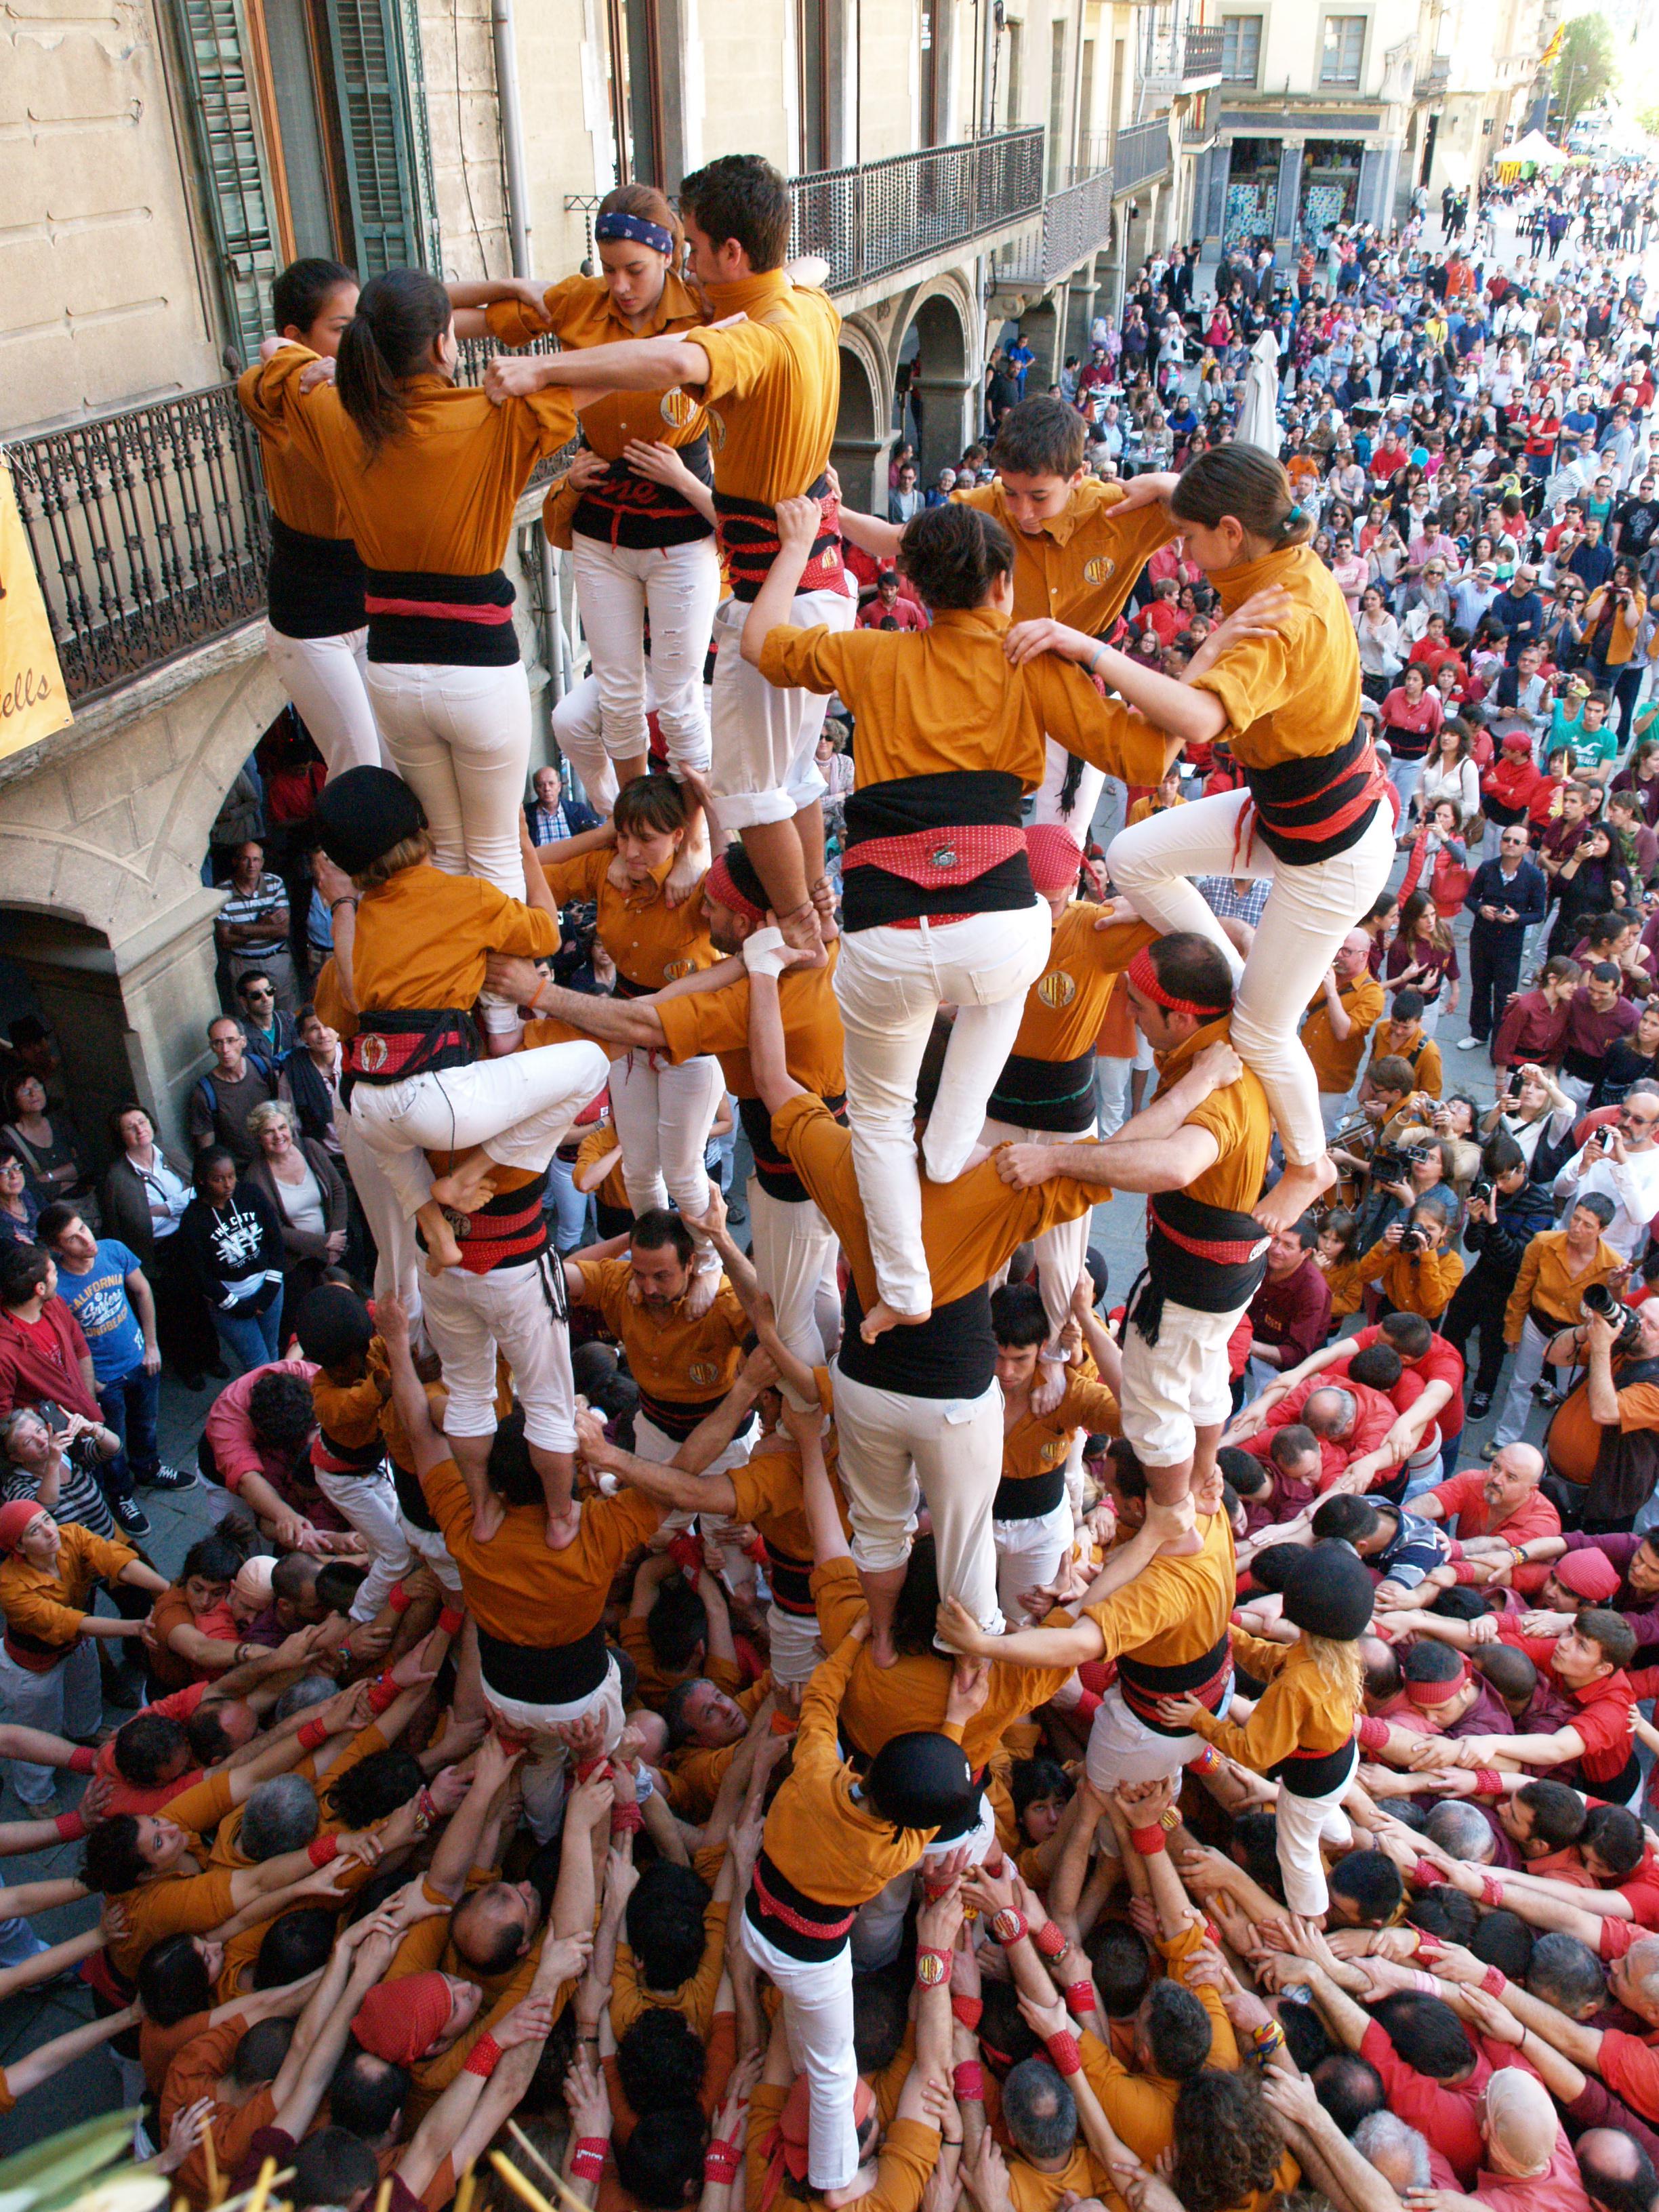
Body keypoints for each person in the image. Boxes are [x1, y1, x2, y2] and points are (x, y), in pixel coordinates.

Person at [743, 495, 1172, 1334]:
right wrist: (1086, 650)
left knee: (873, 1116)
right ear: (1005, 586)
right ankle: (948, 1147)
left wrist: (796, 546)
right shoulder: (1031, 662)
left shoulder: (873, 654)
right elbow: (1148, 754)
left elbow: (760, 645)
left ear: (912, 587)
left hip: (884, 932)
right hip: (1000, 927)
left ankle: (903, 1286)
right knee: (1006, 977)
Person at [1005, 443, 1393, 1231]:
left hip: (1332, 851)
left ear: (1229, 532)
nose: (1179, 553)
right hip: (1284, 811)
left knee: (1258, 1027)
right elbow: (1238, 502)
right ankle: (1232, 947)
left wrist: (1089, 650)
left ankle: (1312, 1164)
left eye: (1188, 536)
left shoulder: (1285, 621)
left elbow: (1197, 722)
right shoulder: (1270, 539)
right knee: (1133, 857)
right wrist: (1168, 489)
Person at [481, 153, 855, 960]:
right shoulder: (810, 307)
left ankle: (800, 938)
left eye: (689, 246)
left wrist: (544, 368)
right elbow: (795, 284)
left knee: (752, 794)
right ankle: (818, 913)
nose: (682, 263)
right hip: (814, 576)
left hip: (775, 591)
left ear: (729, 254)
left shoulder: (763, 337)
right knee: (793, 778)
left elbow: (677, 360)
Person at [238, 268, 596, 1038]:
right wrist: (533, 348)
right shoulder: (493, 416)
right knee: (495, 845)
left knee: (450, 850)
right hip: (477, 664)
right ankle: (501, 1025)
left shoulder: (338, 410)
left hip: (394, 667)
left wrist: (305, 362)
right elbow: (581, 373)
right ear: (443, 345)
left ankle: (464, 1007)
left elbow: (264, 376)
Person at [992, 932, 1271, 1531]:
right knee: (1200, 1374)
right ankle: (1200, 1477)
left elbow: (1172, 1164)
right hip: (1218, 1271)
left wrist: (1060, 1160)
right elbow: (1143, 1138)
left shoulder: (1221, 1090)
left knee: (1152, 1400)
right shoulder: (1211, 1054)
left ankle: (1175, 1516)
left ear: (1181, 1013)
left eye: (1140, 1008)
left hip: (1191, 1280)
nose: (1129, 1016)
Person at [470, 183, 722, 816]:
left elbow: (799, 280)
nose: (620, 286)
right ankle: (640, 821)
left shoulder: (704, 305)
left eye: (634, 269)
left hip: (680, 526)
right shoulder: (581, 303)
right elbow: (459, 323)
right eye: (608, 269)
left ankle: (696, 832)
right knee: (614, 692)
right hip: (603, 522)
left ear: (668, 256)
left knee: (680, 691)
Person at [836, 398, 1179, 833]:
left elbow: (1237, 508)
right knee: (980, 814)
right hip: (1003, 679)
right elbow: (894, 540)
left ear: (1077, 477)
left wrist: (1166, 483)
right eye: (1010, 492)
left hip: (1081, 682)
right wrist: (836, 512)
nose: (1022, 511)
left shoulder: (1119, 512)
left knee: (1064, 837)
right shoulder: (980, 505)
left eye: (1039, 496)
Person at [532, 775, 724, 1236]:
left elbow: (737, 872)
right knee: (639, 1169)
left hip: (689, 1033)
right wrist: (606, 836)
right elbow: (531, 870)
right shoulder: (609, 868)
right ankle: (657, 1256)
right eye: (625, 835)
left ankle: (705, 1264)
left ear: (677, 835)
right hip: (625, 1027)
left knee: (682, 1170)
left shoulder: (696, 881)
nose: (632, 850)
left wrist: (700, 837)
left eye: (646, 838)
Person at [239, 258, 386, 781]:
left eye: (359, 326)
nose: (356, 341)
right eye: (342, 329)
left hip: (369, 603)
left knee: (400, 761)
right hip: (311, 619)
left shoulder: (365, 390)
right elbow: (269, 355)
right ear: (299, 335)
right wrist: (302, 363)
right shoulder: (272, 394)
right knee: (361, 767)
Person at [0, 1502, 165, 1805]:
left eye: (47, 1519)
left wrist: (167, 1590)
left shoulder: (70, 1535)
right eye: (35, 1530)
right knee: (37, 1727)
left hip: (78, 1641)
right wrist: (136, 1627)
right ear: (19, 1546)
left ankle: (85, 1729)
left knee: (86, 1688)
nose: (50, 1531)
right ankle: (34, 1792)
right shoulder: (11, 1587)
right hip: (35, 1665)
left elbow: (116, 1560)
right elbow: (71, 1622)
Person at [34, 1203, 192, 1515]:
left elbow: (143, 1291)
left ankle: (149, 1468)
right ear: (56, 1248)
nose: (85, 1239)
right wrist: (91, 1383)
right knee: (112, 1441)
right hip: (105, 1379)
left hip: (140, 1360)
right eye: (72, 1238)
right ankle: (121, 1495)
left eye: (83, 1228)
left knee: (146, 1423)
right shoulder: (58, 1288)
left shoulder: (113, 1251)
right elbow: (65, 1343)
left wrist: (151, 1345)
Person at [1441, 1139, 1558, 1419]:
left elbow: (1517, 1258)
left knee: (1493, 1345)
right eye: (1495, 1180)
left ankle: (1485, 1391)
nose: (1501, 1187)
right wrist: (1476, 1221)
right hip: (1483, 1272)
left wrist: (1493, 1224)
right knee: (1452, 1328)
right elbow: (1472, 1245)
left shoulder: (1541, 1205)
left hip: (1512, 1284)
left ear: (1522, 1168)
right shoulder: (1488, 1190)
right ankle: (1459, 1372)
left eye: (1506, 1178)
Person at [1536, 1297, 1659, 1532]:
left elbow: (1606, 1411)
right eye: (1639, 1314)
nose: (1638, 1324)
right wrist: (1587, 1329)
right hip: (1557, 1480)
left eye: (1651, 1326)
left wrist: (1601, 1346)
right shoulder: (1620, 1345)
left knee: (1577, 1567)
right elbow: (1554, 1355)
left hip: (1599, 1509)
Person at [178, 1149, 287, 1376]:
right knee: (258, 1366)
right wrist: (234, 1305)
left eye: (232, 1176)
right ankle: (270, 1406)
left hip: (269, 1288)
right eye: (218, 1179)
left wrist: (270, 1289)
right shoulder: (193, 1219)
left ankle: (283, 1403)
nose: (228, 1184)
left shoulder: (251, 1194)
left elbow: (275, 1240)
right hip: (229, 1303)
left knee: (272, 1352)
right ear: (202, 1180)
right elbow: (200, 1274)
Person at [243, 1101, 348, 1305]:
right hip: (297, 1263)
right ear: (259, 1137)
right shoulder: (255, 1176)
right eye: (269, 1131)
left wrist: (338, 1240)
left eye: (282, 1127)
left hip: (336, 1251)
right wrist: (323, 1244)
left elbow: (338, 1190)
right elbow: (273, 1228)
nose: (278, 1136)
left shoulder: (310, 1148)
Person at [1463, 826, 1550, 1053]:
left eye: (1516, 841)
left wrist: (1517, 918)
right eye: (1506, 839)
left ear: (1526, 848)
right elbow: (1470, 897)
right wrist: (1482, 909)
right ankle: (1478, 1032)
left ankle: (1500, 1045)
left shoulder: (1533, 876)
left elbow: (1539, 913)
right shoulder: (1487, 868)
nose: (1510, 844)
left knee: (1505, 995)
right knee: (1480, 987)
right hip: (1482, 936)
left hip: (1510, 943)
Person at [1551, 1087, 1659, 1258]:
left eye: (1638, 1120)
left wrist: (1623, 1164)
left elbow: (1640, 1216)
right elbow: (1560, 1189)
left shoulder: (1656, 1162)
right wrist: (1582, 1168)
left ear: (1654, 1129)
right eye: (1624, 1114)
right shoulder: (1601, 1138)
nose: (1626, 1123)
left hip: (1607, 1257)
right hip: (1565, 1239)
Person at [214, 843, 300, 1014]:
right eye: (246, 859)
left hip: (276, 961)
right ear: (235, 861)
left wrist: (244, 929)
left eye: (256, 860)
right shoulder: (221, 892)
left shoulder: (274, 883)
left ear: (262, 862)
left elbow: (283, 931)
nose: (251, 865)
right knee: (249, 1014)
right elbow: (225, 940)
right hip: (243, 963)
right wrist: (264, 925)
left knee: (288, 1011)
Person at [188, 1019, 279, 1168]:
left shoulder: (261, 1067)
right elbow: (208, 1153)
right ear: (212, 1047)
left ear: (243, 1042)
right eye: (218, 1043)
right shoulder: (205, 1093)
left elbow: (283, 1110)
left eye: (231, 1041)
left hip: (277, 1157)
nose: (225, 1050)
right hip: (243, 1170)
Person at [0, 1073, 89, 1212]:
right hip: (52, 1210)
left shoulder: (60, 1121)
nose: (33, 1093)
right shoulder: (9, 1136)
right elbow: (30, 1184)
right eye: (24, 1091)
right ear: (13, 1100)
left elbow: (87, 1161)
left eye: (37, 1086)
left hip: (86, 1203)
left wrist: (50, 1176)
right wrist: (71, 1173)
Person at [522, 763, 596, 848]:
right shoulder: (525, 815)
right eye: (541, 785)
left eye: (551, 783)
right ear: (535, 789)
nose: (547, 789)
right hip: (542, 861)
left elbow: (593, 841)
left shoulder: (579, 811)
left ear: (559, 786)